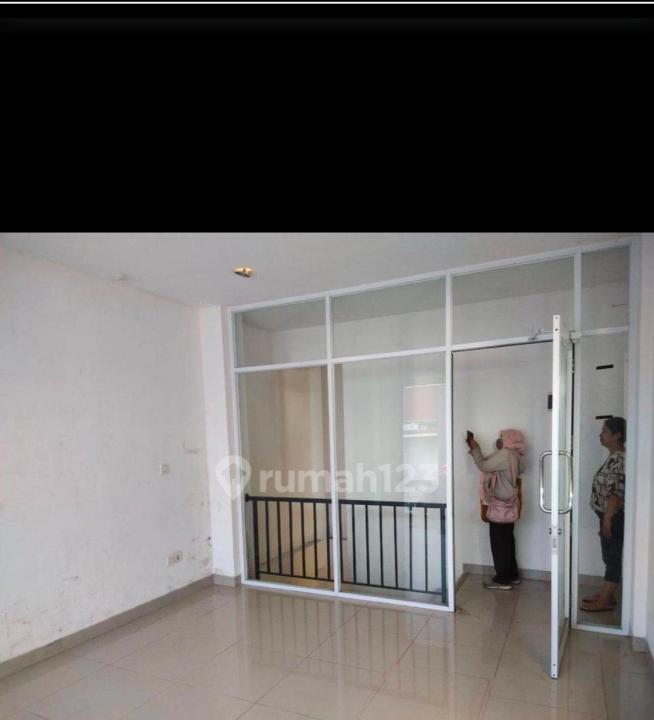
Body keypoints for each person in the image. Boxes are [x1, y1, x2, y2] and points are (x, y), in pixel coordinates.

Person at [466, 429, 525, 590]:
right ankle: (512, 575)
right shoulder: (515, 454)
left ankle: (502, 580)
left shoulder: (505, 454)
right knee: (508, 541)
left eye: (502, 437)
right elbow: (521, 469)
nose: (499, 439)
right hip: (509, 505)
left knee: (499, 543)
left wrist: (475, 448)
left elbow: (484, 466)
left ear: (509, 439)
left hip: (499, 505)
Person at [581, 417, 626, 612]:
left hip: (613, 517)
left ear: (617, 435)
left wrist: (607, 518)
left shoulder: (621, 460)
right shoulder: (613, 457)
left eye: (605, 432)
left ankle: (604, 601)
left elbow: (617, 492)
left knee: (612, 557)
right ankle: (607, 595)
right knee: (609, 556)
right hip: (607, 516)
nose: (601, 435)